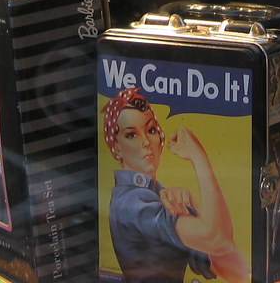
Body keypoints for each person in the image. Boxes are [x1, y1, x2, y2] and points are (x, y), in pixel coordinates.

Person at [101, 88, 251, 283]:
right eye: (131, 135)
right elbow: (218, 240)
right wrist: (199, 157)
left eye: (151, 130)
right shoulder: (130, 202)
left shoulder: (159, 196)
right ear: (117, 147)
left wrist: (192, 212)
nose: (146, 142)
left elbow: (237, 271)